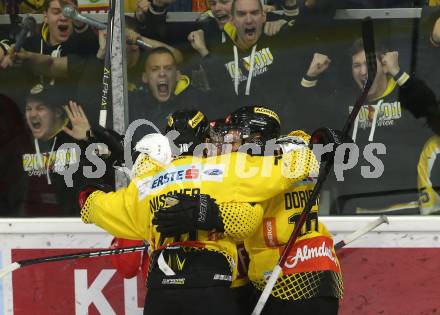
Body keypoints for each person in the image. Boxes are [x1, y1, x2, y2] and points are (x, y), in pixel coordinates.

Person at [78, 107, 319, 315]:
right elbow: (297, 165)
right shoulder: (229, 167)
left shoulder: (146, 185)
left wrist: (94, 175)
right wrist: (310, 146)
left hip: (161, 293)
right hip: (211, 286)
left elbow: (90, 206)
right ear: (204, 141)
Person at [154, 105, 343, 315]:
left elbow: (247, 220)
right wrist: (322, 139)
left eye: (234, 133)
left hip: (282, 281)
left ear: (255, 136)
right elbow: (333, 148)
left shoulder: (250, 167)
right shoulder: (298, 147)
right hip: (324, 271)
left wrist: (208, 213)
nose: (227, 141)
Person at [329, 39, 432, 214]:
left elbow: (431, 111)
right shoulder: (348, 103)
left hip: (406, 209)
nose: (363, 71)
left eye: (368, 64)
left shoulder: (405, 96)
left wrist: (398, 72)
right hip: (356, 212)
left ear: (384, 67)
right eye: (356, 65)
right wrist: (310, 78)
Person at [21, 86, 93, 216]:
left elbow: (109, 170)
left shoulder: (77, 140)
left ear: (57, 112)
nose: (32, 114)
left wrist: (89, 140)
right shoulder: (21, 144)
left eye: (40, 108)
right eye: (28, 109)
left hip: (73, 225)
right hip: (29, 226)